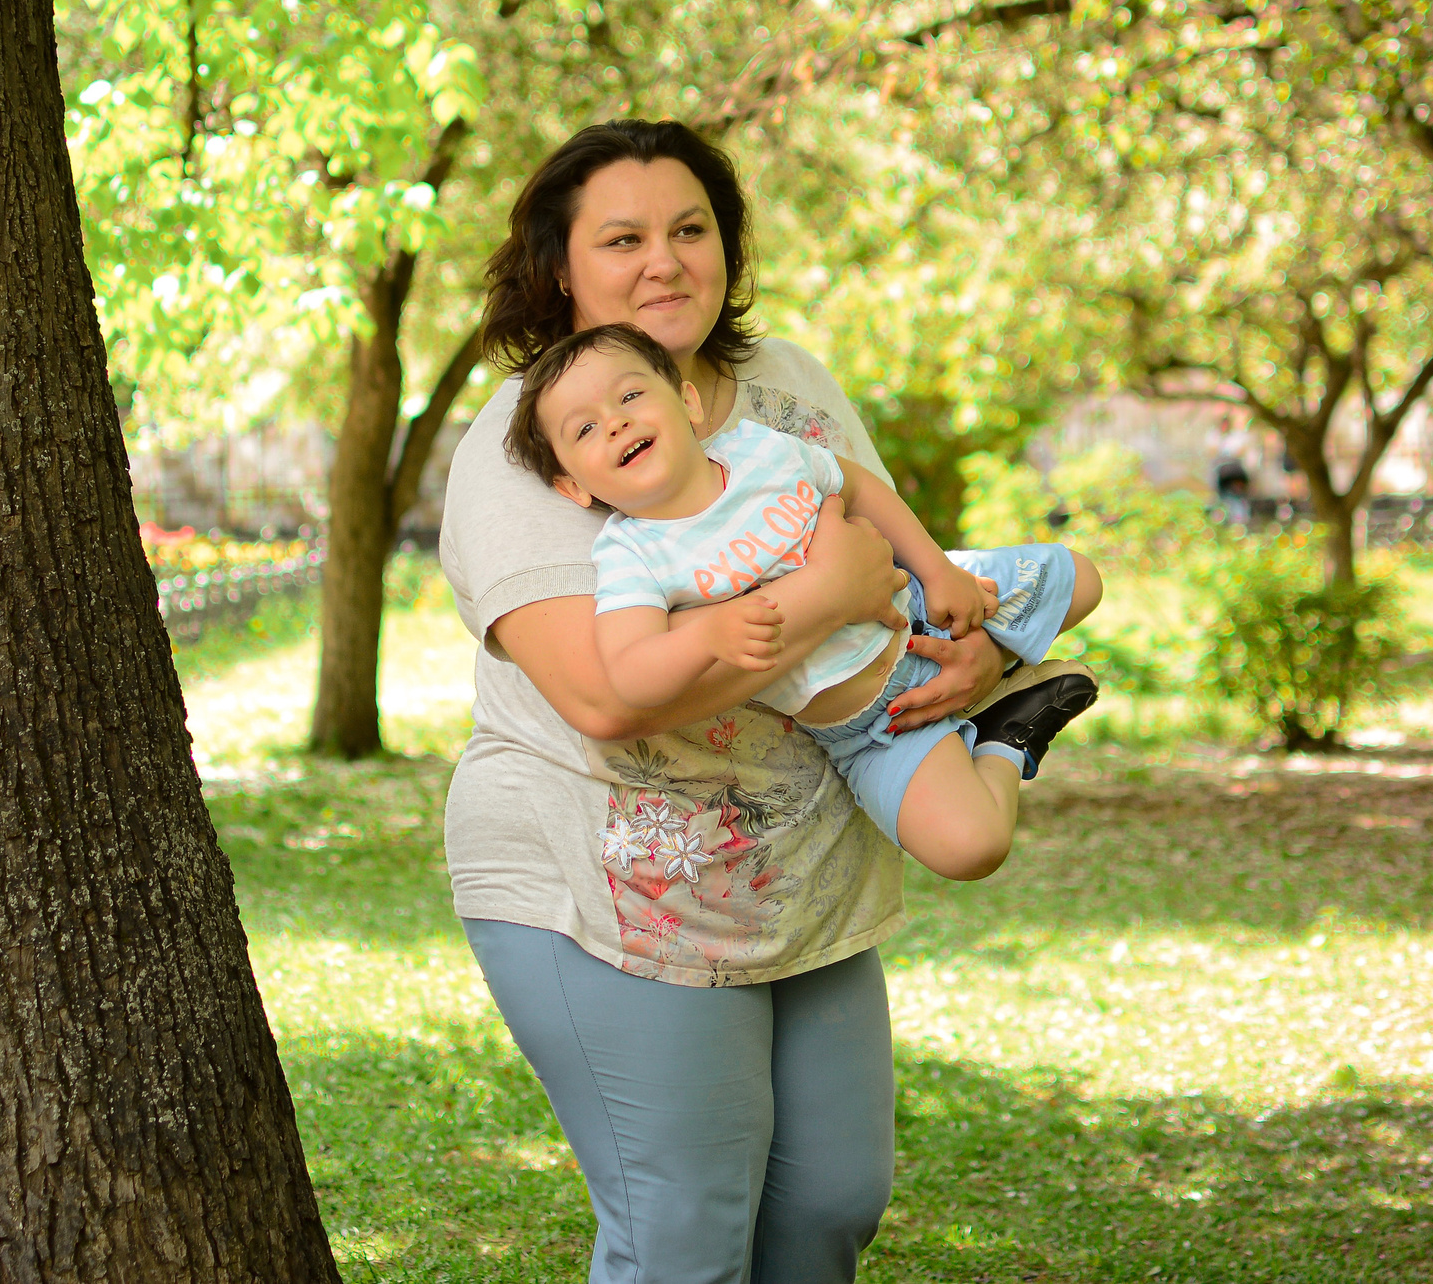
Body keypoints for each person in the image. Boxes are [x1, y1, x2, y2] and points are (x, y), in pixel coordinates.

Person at [439, 118, 1102, 1284]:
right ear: (560, 269)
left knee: (829, 1206)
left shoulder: (786, 384)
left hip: (800, 863)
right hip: (614, 885)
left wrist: (977, 655)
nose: (665, 262)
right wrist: (822, 596)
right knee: (684, 1230)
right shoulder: (533, 433)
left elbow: (886, 565)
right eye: (624, 238)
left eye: (691, 229)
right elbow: (603, 697)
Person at [504, 322, 1100, 882]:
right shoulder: (634, 554)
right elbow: (631, 674)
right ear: (571, 485)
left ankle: (991, 661)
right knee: (973, 847)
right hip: (872, 723)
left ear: (687, 402)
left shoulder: (756, 450)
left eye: (630, 396)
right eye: (583, 429)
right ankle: (1005, 732)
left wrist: (938, 569)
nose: (613, 422)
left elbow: (857, 486)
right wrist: (704, 638)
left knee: (1083, 578)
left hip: (917, 601)